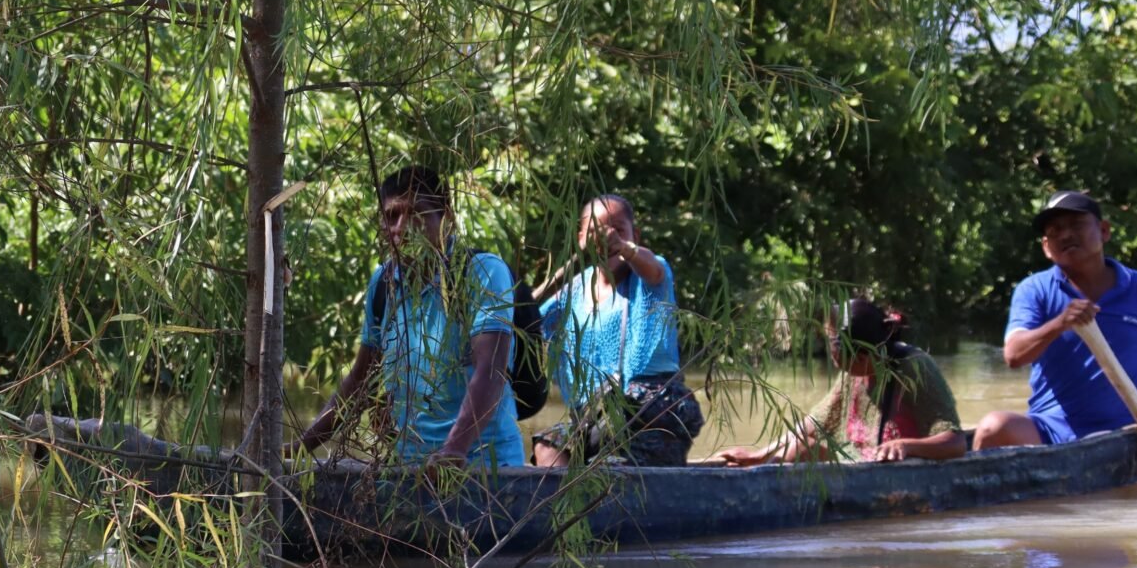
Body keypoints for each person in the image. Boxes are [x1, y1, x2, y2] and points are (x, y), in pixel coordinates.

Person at [294, 165, 525, 470]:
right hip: (411, 470)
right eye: (391, 216)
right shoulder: (384, 282)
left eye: (417, 213)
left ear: (446, 219)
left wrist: (453, 451)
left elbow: (490, 371)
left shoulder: (482, 272)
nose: (402, 228)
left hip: (485, 467)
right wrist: (300, 447)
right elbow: (360, 380)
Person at [973, 191, 1137, 458]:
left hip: (1123, 431)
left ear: (1104, 231)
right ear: (1045, 247)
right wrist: (1061, 323)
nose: (1065, 235)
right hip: (1049, 430)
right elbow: (1014, 356)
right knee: (992, 428)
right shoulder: (1034, 290)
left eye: (1076, 225)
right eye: (1055, 230)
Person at [530, 194, 702, 467]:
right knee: (548, 447)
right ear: (581, 238)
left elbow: (653, 268)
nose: (607, 238)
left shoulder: (651, 276)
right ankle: (565, 507)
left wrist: (624, 247)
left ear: (636, 235)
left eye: (618, 230)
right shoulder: (572, 291)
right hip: (596, 417)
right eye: (596, 231)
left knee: (611, 460)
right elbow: (529, 323)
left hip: (650, 412)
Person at [713, 298, 966, 466]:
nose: (833, 360)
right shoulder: (854, 373)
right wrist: (759, 456)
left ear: (864, 356)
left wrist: (906, 446)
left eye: (836, 352)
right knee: (802, 448)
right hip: (859, 462)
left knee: (800, 452)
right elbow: (816, 423)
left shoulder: (916, 368)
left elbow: (955, 442)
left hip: (901, 469)